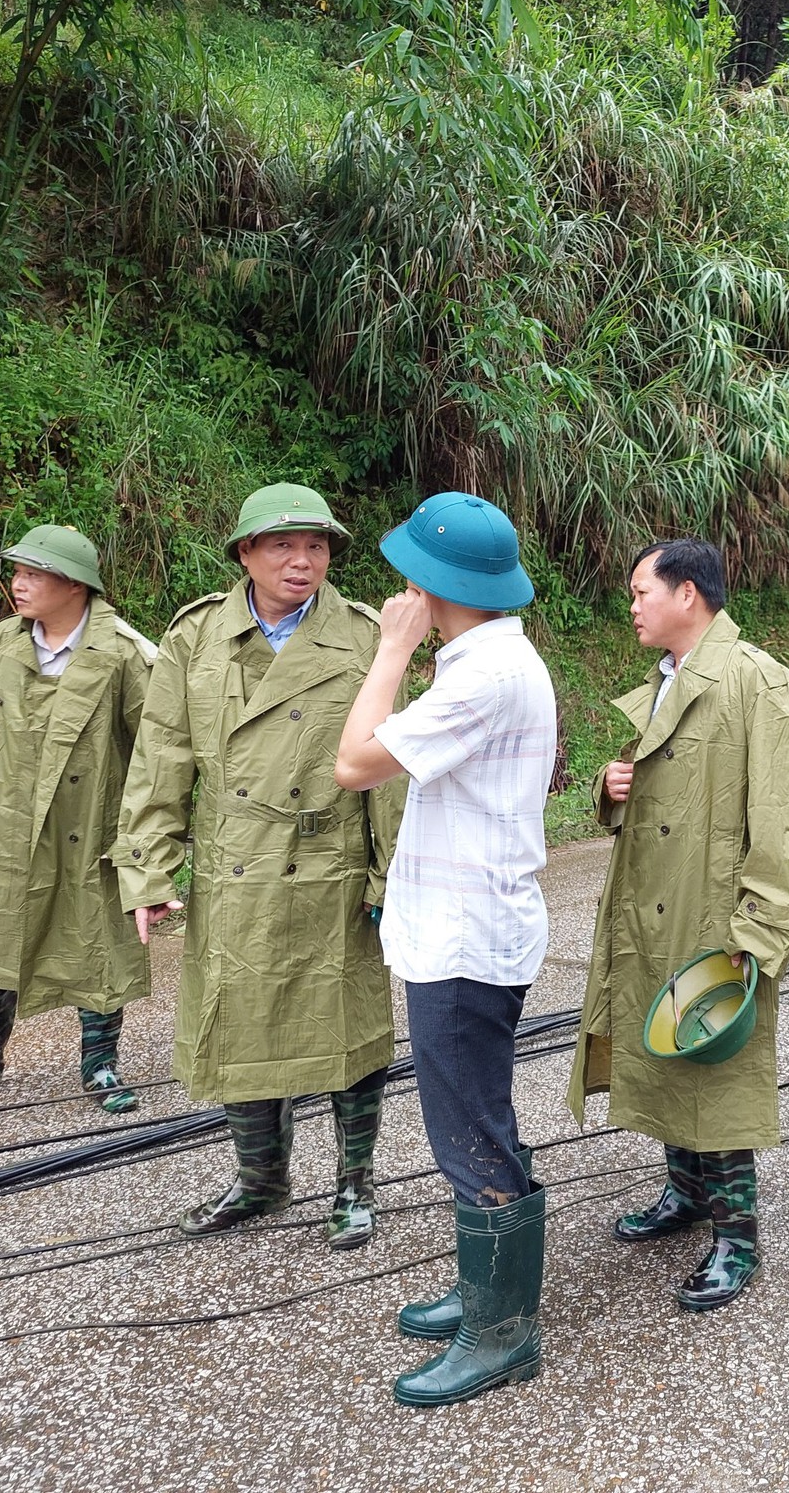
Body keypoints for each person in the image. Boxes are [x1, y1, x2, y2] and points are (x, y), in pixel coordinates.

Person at [113, 483, 405, 1246]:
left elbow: (389, 766)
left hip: (329, 861)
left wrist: (390, 877)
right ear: (245, 552)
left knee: (345, 1028)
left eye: (316, 547)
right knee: (238, 1023)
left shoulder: (367, 636)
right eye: (282, 546)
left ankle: (354, 1185)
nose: (302, 562)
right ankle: (260, 1183)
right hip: (234, 863)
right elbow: (162, 757)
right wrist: (147, 868)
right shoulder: (195, 637)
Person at [332, 491, 558, 1409]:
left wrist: (388, 652)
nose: (400, 593)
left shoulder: (482, 675)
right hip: (460, 927)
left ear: (433, 583)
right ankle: (483, 1293)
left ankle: (501, 1332)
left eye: (408, 579)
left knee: (471, 1134)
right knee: (473, 1120)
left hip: (465, 941)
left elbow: (354, 761)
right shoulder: (486, 659)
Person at [568, 538, 789, 1312]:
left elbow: (777, 823)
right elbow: (651, 791)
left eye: (642, 591)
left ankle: (736, 1238)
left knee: (717, 1073)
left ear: (688, 594)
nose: (632, 606)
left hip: (712, 914)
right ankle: (684, 1195)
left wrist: (756, 936)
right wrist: (612, 788)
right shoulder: (667, 681)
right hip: (649, 904)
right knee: (665, 1054)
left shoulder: (756, 682)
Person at [0, 526, 154, 1114]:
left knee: (91, 929)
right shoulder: (3, 640)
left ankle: (100, 1065)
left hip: (86, 820)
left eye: (33, 574)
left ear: (74, 585)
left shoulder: (121, 653)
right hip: (6, 819)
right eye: (17, 571)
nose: (18, 584)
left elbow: (155, 747)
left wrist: (146, 834)